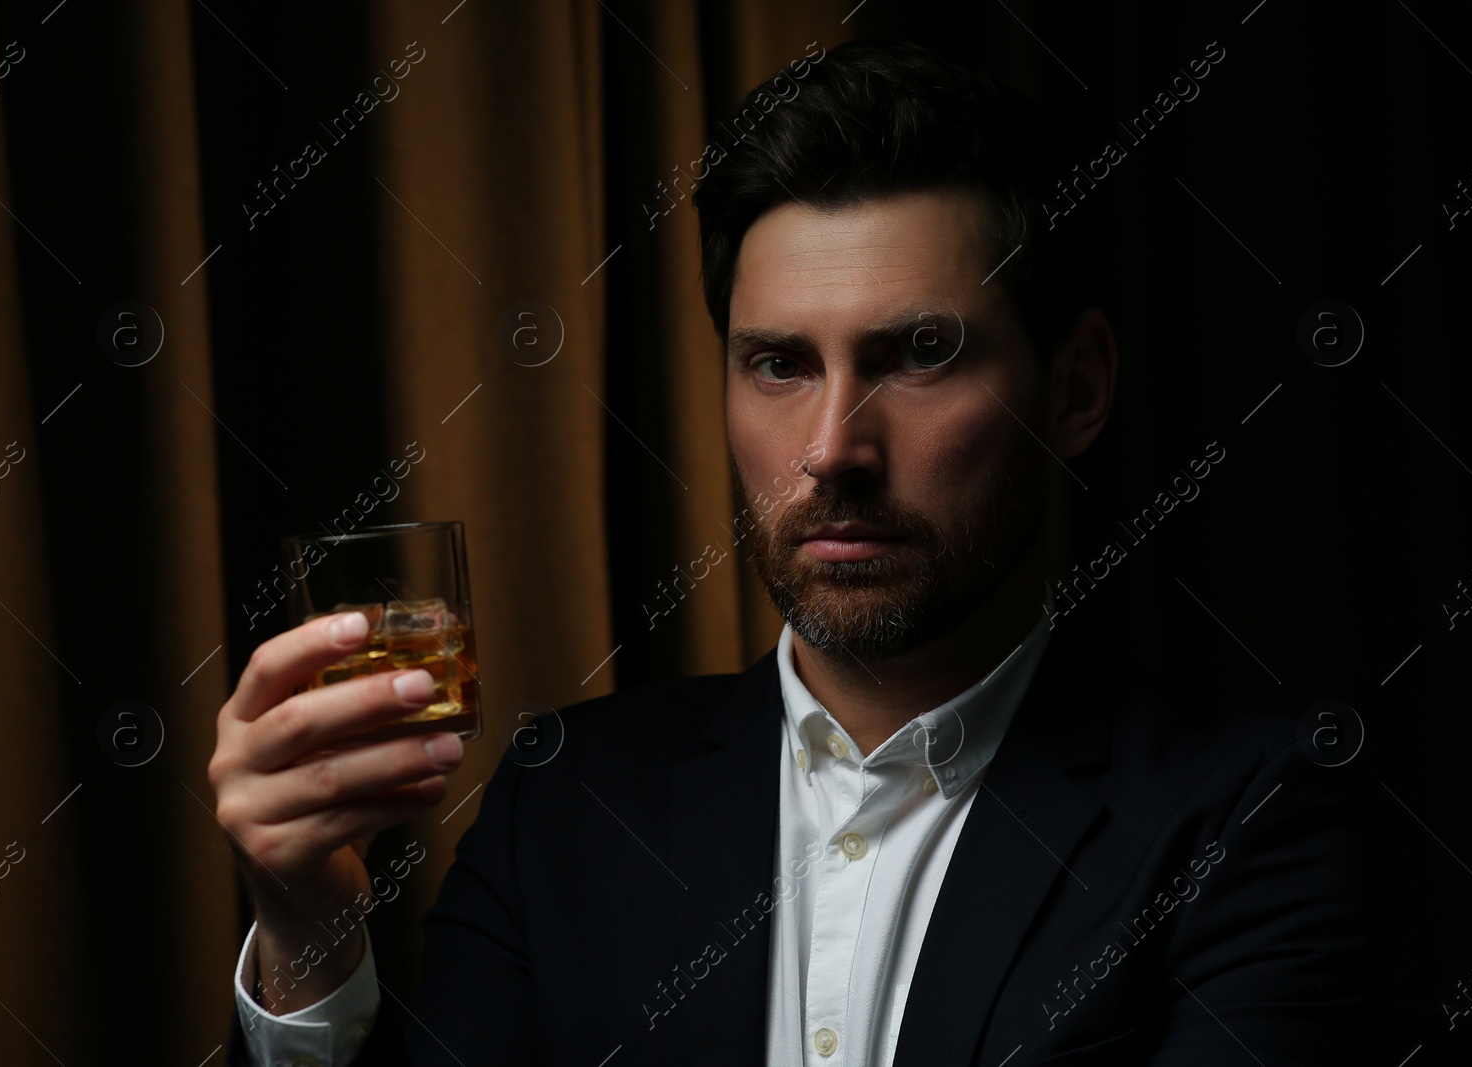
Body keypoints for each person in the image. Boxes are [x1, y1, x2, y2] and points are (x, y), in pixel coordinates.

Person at [211, 38, 1385, 1066]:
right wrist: (305, 924)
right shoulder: (566, 799)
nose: (831, 449)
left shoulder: (1248, 820)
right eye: (779, 363)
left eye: (919, 352)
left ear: (1074, 388)